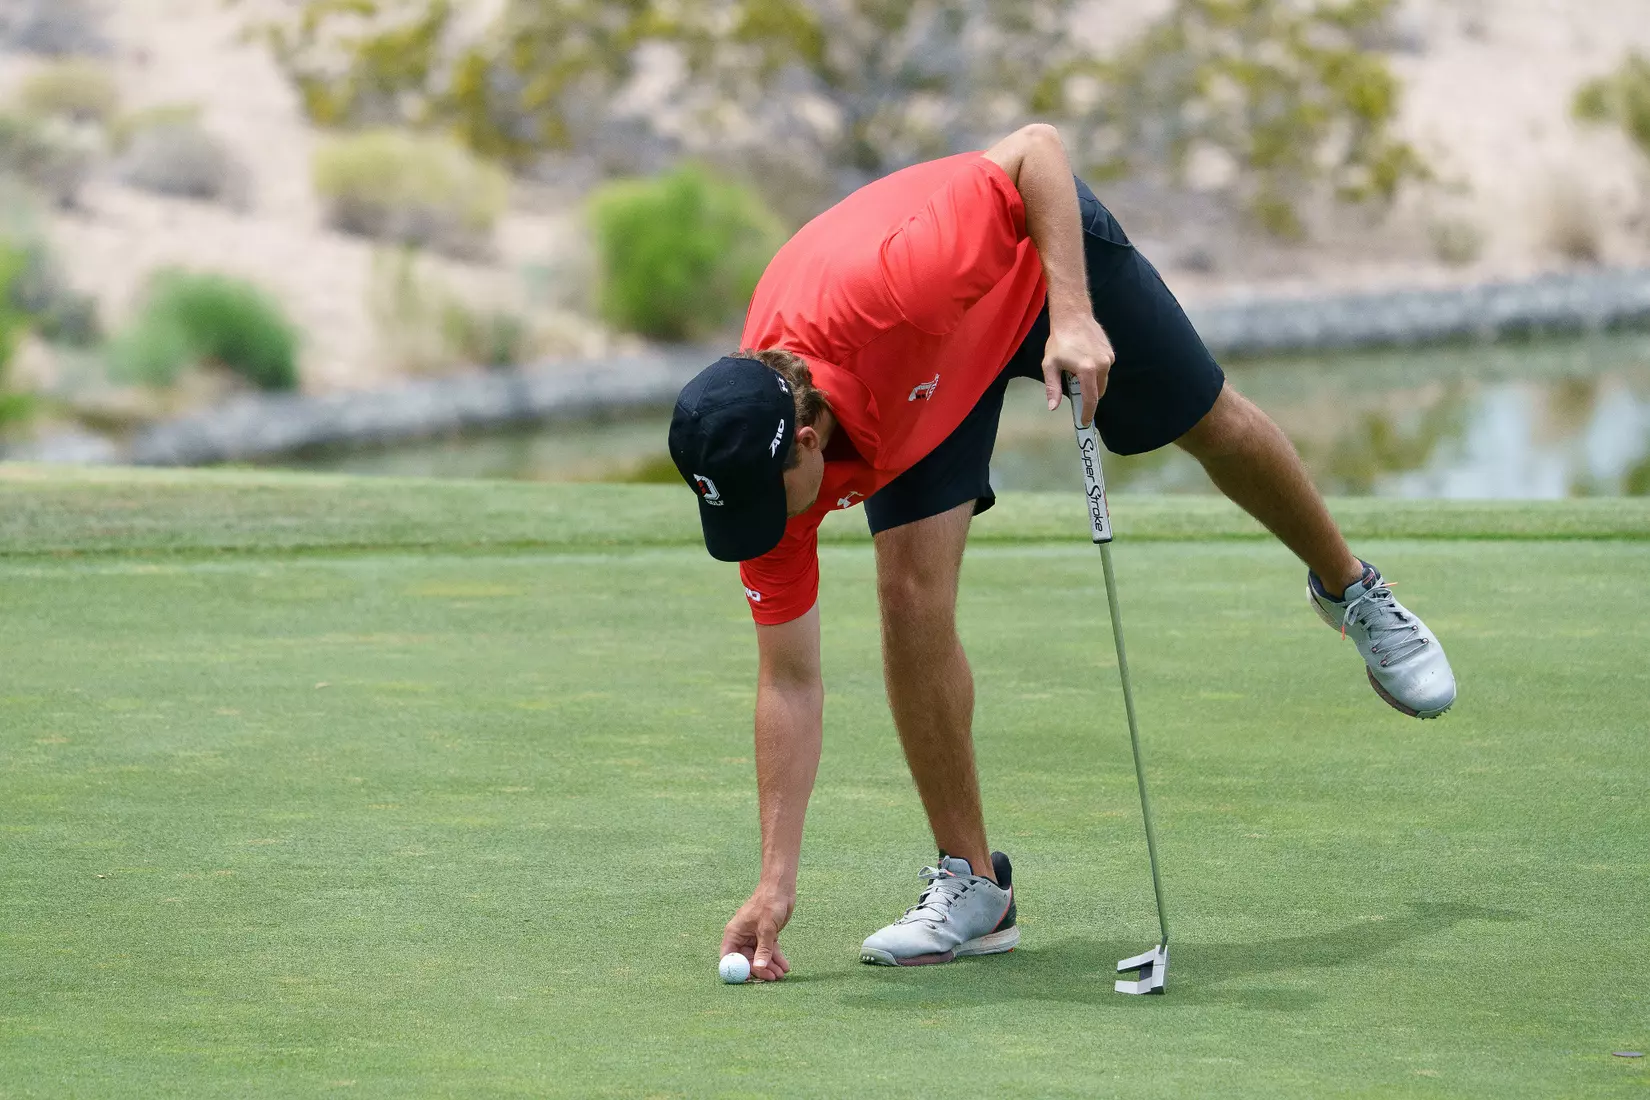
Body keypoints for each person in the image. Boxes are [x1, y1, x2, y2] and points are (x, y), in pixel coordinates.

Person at [666, 123, 1456, 981]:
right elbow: (789, 679)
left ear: (810, 442)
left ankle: (1352, 590)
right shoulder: (747, 457)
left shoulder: (897, 285)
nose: (764, 529)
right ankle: (974, 889)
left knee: (1209, 422)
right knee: (910, 598)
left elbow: (1036, 148)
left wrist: (1073, 316)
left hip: (1027, 264)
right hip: (919, 379)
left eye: (764, 505)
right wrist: (774, 885)